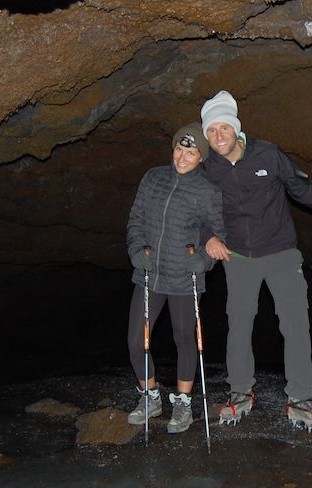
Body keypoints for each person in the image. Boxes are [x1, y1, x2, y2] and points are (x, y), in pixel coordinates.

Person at [199, 90, 312, 435]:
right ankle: (240, 392)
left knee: (294, 323)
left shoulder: (268, 154)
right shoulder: (207, 169)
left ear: (236, 129)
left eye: (223, 129)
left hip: (280, 251)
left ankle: (301, 397)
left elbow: (301, 189)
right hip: (239, 256)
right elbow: (197, 210)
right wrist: (208, 238)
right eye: (211, 131)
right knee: (240, 324)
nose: (218, 136)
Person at [125, 122, 226, 434]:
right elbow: (136, 218)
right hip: (149, 272)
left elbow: (219, 233)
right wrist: (135, 249)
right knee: (135, 339)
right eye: (180, 149)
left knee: (184, 340)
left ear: (201, 158)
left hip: (184, 277)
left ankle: (182, 403)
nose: (183, 157)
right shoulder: (152, 177)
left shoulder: (208, 191)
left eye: (191, 152)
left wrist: (204, 261)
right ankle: (150, 396)